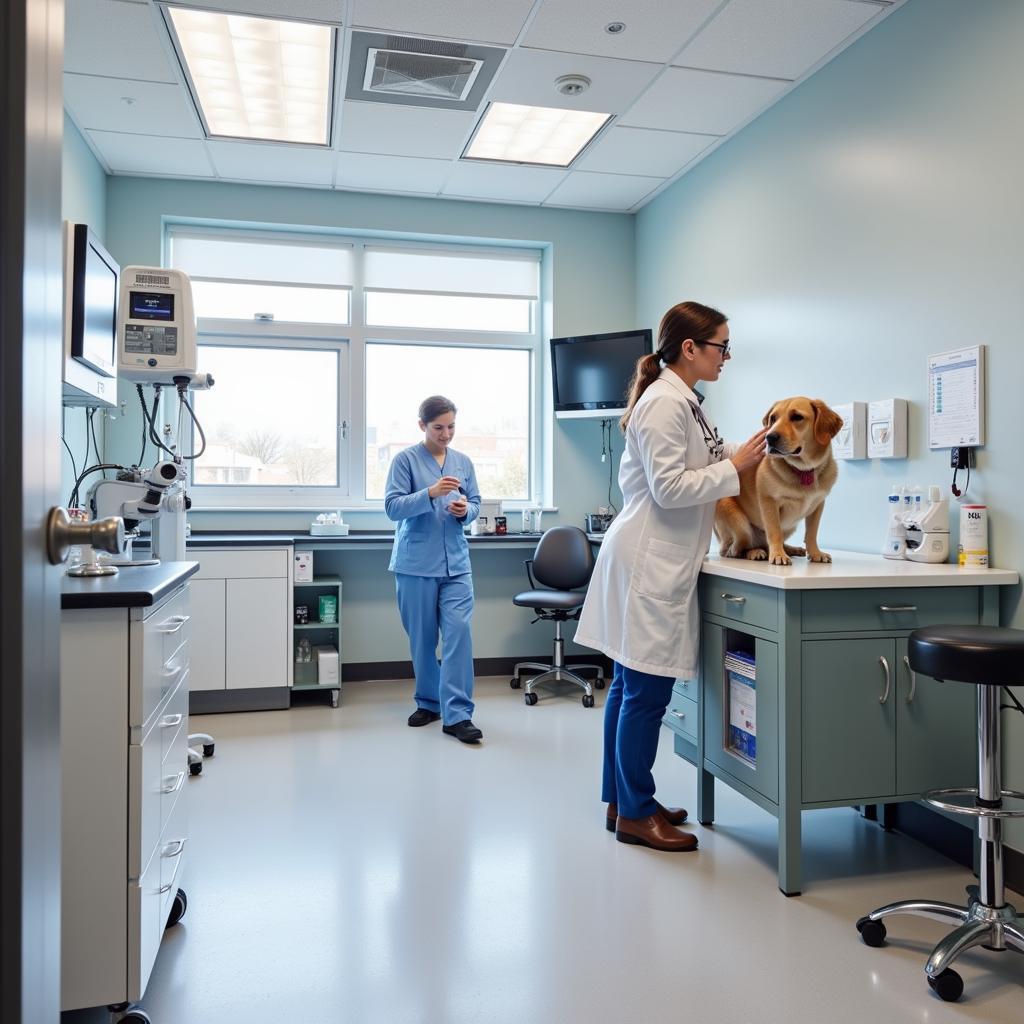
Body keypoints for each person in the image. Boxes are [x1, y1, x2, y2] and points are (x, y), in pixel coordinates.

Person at [574, 301, 768, 851]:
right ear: (690, 348)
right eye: (721, 346)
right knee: (646, 693)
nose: (727, 356)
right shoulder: (664, 402)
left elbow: (699, 456)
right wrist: (735, 469)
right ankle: (635, 812)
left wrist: (747, 451)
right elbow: (670, 487)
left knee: (629, 688)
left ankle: (624, 799)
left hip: (650, 556)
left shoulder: (681, 400)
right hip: (647, 561)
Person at [384, 395, 484, 744]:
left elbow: (475, 502)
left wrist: (465, 511)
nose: (446, 434)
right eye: (438, 427)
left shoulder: (463, 462)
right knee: (423, 639)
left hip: (456, 563)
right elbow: (393, 508)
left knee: (458, 634)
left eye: (451, 427)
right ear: (422, 425)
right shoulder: (405, 461)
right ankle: (428, 702)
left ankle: (458, 715)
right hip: (415, 565)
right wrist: (429, 493)